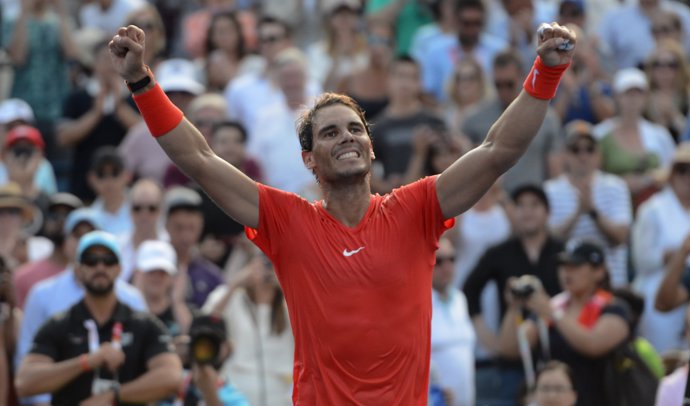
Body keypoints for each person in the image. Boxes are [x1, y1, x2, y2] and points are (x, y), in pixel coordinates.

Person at [108, 20, 576, 403]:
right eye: (330, 133)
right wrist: (141, 82)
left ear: (371, 148)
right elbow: (200, 160)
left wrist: (546, 72)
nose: (347, 136)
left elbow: (498, 150)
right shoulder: (287, 221)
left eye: (355, 128)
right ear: (309, 159)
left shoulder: (416, 209)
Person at [15, 231, 182, 405]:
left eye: (109, 260)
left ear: (119, 269)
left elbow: (172, 378)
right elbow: (24, 382)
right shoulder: (60, 324)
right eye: (91, 260)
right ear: (79, 269)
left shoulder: (143, 324)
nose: (100, 267)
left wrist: (112, 396)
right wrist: (86, 362)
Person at [498, 239, 633, 406]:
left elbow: (593, 344)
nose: (567, 272)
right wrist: (514, 308)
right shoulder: (553, 306)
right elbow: (510, 348)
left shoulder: (614, 308)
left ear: (599, 271)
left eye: (576, 266)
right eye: (564, 266)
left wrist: (552, 313)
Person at [463, 184, 564, 405]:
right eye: (521, 205)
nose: (527, 211)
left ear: (547, 211)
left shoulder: (563, 253)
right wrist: (487, 337)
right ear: (513, 212)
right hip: (512, 358)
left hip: (558, 358)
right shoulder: (500, 252)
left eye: (535, 205)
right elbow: (469, 290)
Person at [544, 120, 632, 288]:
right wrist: (578, 213)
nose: (583, 156)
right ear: (565, 155)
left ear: (598, 154)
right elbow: (550, 242)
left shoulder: (616, 186)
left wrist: (592, 211)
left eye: (589, 149)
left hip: (612, 284)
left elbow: (620, 237)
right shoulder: (551, 190)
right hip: (569, 289)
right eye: (575, 149)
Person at [462, 50, 563, 193]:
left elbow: (555, 173)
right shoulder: (474, 120)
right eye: (498, 85)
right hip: (492, 207)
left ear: (523, 78)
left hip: (532, 203)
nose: (503, 90)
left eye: (509, 84)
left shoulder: (546, 119)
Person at [203, 252, 293, 406]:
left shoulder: (289, 303)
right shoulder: (233, 297)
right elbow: (205, 323)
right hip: (238, 391)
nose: (269, 269)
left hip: (281, 393)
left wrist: (287, 283)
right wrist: (235, 284)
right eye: (265, 263)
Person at [633, 142, 690, 353]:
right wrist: (672, 255)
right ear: (672, 173)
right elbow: (641, 259)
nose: (687, 176)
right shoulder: (653, 209)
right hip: (656, 288)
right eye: (682, 170)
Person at [430, 237, 476, 406]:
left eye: (452, 259)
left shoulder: (459, 299)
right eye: (439, 260)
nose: (447, 267)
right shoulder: (416, 302)